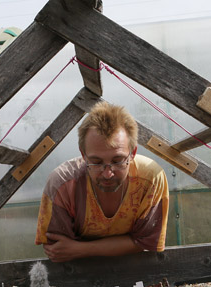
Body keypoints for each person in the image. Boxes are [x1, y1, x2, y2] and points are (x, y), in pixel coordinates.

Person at [35, 102, 169, 262]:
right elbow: (57, 250)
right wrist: (127, 243)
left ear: (132, 153)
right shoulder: (62, 184)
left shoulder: (150, 179)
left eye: (118, 161)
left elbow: (148, 241)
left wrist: (80, 249)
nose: (107, 174)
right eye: (96, 162)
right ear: (83, 155)